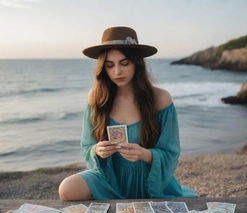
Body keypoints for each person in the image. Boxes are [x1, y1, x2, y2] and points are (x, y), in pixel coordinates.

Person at [58, 26, 198, 200]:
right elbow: (87, 147)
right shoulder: (96, 97)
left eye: (124, 63)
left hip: (149, 179)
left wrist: (144, 154)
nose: (117, 72)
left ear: (137, 63)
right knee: (67, 189)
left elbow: (171, 153)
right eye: (110, 65)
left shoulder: (160, 98)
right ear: (103, 68)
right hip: (109, 177)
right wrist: (97, 150)